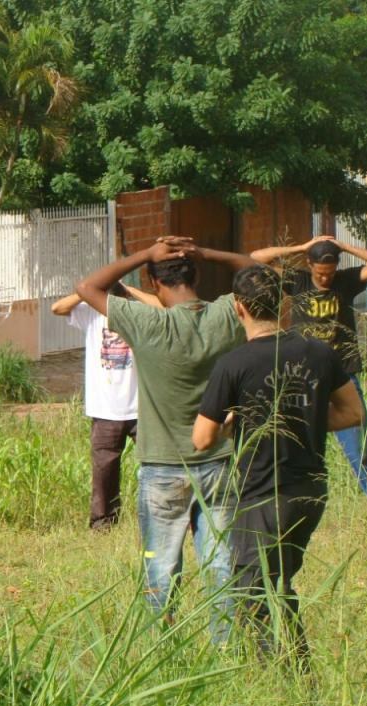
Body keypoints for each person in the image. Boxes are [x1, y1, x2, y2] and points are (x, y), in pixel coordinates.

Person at [76, 237, 258, 639]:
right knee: (221, 563)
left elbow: (87, 288)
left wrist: (144, 254)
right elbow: (264, 276)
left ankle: (163, 646)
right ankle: (223, 646)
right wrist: (208, 250)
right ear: (196, 274)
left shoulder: (146, 322)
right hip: (219, 461)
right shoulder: (226, 315)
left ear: (152, 282)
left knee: (161, 565)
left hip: (161, 466)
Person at [192, 265, 362, 664]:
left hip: (262, 496)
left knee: (253, 591)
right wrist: (307, 421)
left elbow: (201, 439)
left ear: (239, 309)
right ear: (285, 305)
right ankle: (293, 670)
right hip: (310, 492)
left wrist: (235, 426)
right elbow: (353, 413)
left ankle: (288, 676)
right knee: (276, 582)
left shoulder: (233, 364)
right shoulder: (319, 352)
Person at [252, 236, 367, 519]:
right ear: (310, 265)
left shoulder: (346, 280)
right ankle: (291, 509)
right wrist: (300, 246)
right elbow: (257, 257)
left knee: (360, 449)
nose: (325, 278)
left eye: (329, 273)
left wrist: (344, 247)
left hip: (342, 377)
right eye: (320, 272)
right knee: (289, 444)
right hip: (303, 377)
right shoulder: (298, 281)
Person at [51, 283, 160, 530]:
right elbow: (57, 308)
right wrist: (89, 290)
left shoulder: (138, 312)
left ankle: (158, 516)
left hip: (142, 407)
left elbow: (163, 307)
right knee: (104, 470)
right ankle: (103, 522)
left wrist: (130, 288)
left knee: (156, 463)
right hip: (104, 408)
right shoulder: (91, 313)